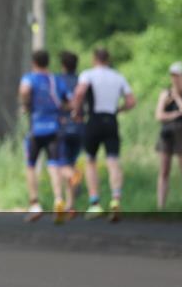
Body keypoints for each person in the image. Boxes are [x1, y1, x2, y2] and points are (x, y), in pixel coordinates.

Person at [71, 48, 135, 220]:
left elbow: (79, 92)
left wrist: (76, 111)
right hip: (111, 120)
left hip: (93, 120)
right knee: (113, 161)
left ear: (94, 59)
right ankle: (115, 200)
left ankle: (95, 203)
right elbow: (131, 101)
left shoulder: (88, 74)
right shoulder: (118, 76)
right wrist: (118, 109)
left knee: (90, 161)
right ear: (109, 59)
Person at [18, 50, 70, 223]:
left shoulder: (30, 78)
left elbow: (24, 90)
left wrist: (26, 105)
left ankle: (34, 203)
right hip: (54, 128)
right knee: (54, 165)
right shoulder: (56, 80)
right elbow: (69, 101)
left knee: (31, 165)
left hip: (36, 129)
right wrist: (62, 109)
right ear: (48, 62)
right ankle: (58, 199)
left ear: (34, 62)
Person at [154, 62, 182, 208]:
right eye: (173, 76)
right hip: (167, 132)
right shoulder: (165, 93)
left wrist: (177, 98)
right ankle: (161, 206)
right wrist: (175, 114)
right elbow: (159, 115)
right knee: (164, 169)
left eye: (177, 76)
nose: (175, 79)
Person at [57, 51, 84, 216]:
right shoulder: (82, 81)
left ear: (63, 65)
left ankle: (75, 176)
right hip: (80, 127)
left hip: (63, 127)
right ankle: (71, 205)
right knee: (70, 163)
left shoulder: (58, 81)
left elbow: (57, 102)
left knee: (60, 165)